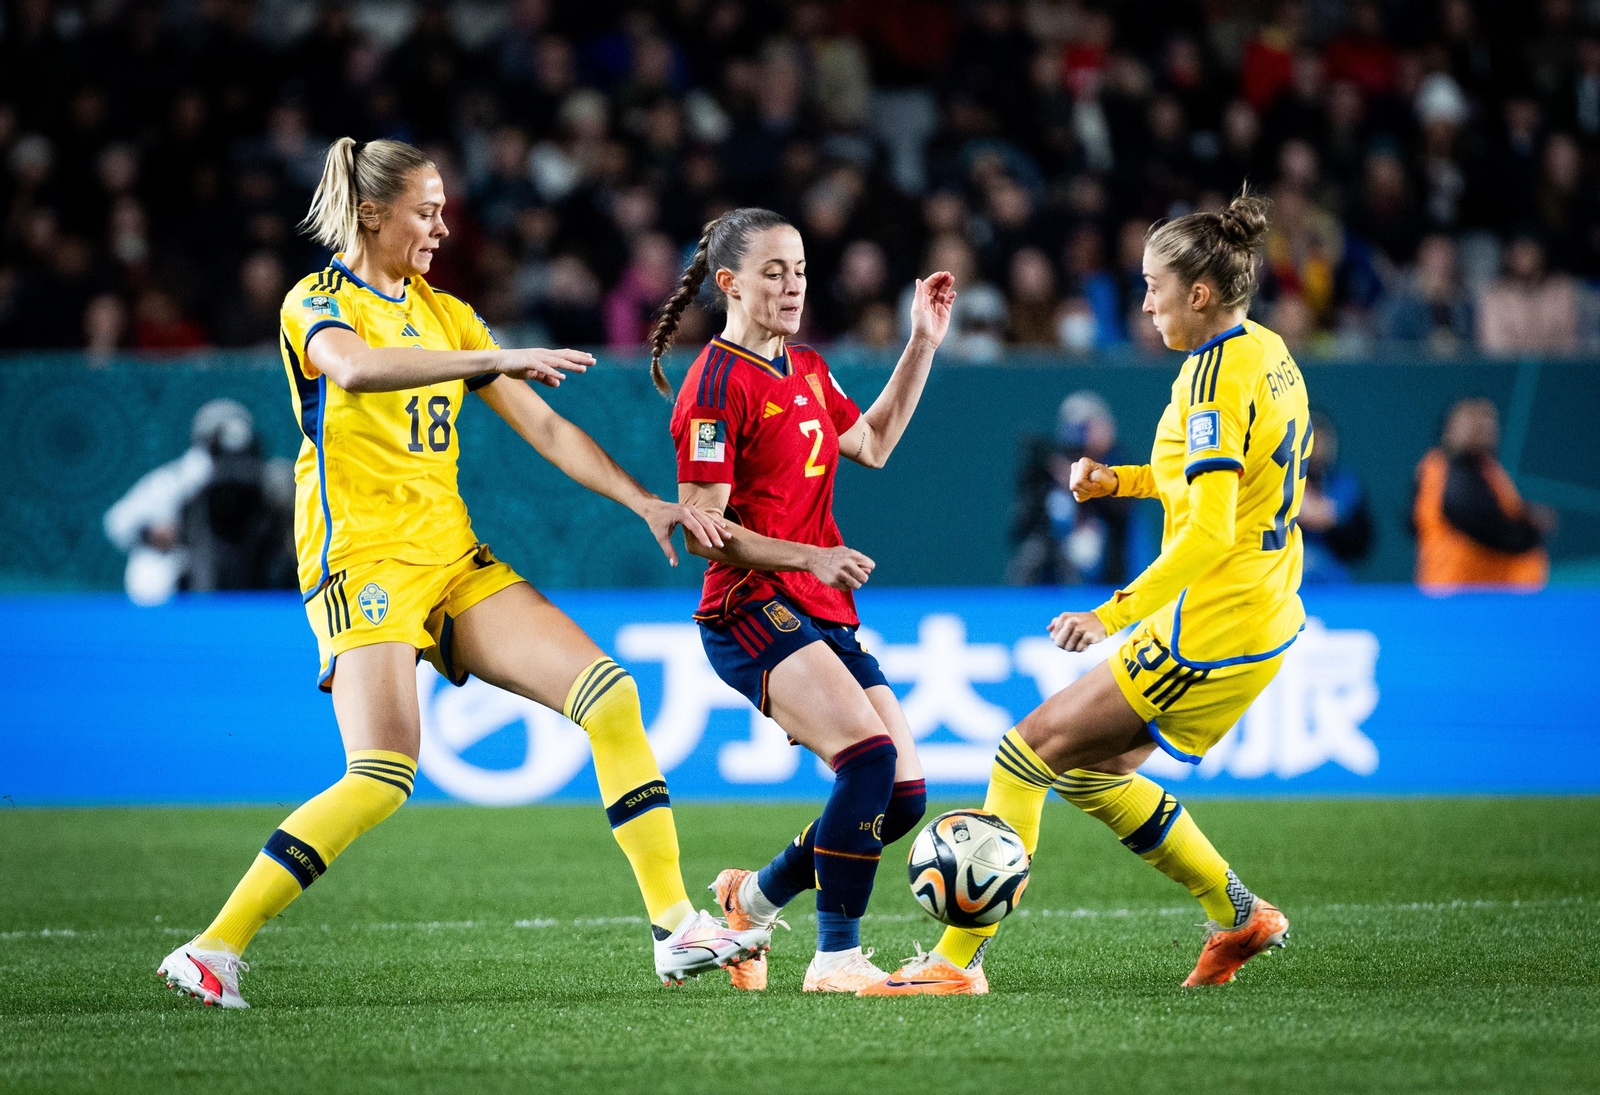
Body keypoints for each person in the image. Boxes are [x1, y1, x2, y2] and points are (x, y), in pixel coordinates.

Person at [157, 138, 768, 1010]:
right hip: (361, 560)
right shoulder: (315, 302)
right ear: (373, 214)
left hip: (451, 556)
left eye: (444, 209)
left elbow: (549, 429)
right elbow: (356, 370)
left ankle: (675, 927)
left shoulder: (448, 314)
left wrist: (644, 503)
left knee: (611, 694)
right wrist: (492, 359)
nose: (444, 226)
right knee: (380, 774)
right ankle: (212, 948)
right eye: (427, 210)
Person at [862, 192, 1303, 995]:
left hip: (1211, 621)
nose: (1144, 302)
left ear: (1199, 294)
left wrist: (1110, 615)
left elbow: (1208, 534)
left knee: (1023, 752)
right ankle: (1236, 912)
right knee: (1089, 772)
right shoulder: (1267, 351)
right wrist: (1122, 481)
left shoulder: (1208, 379)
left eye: (1152, 286)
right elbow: (1229, 487)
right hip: (1264, 612)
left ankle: (955, 963)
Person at [648, 207, 956, 993]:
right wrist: (813, 555)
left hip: (817, 607)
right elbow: (706, 528)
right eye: (774, 272)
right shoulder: (714, 385)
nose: (793, 287)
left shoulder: (810, 368)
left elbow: (876, 444)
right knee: (868, 759)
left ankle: (749, 899)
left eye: (801, 271)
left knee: (906, 795)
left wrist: (921, 339)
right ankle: (835, 957)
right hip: (748, 607)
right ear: (730, 284)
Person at [103, 399, 295, 605]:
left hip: (256, 566)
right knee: (149, 572)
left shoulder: (267, 478)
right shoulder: (182, 478)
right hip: (191, 567)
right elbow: (117, 522)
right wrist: (156, 533)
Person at [1006, 391, 1148, 587]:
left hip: (1110, 570)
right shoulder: (1049, 466)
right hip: (1054, 568)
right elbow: (1022, 524)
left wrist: (1089, 486)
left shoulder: (1119, 462)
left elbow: (1122, 510)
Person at [1412, 397, 1551, 591]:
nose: (1482, 425)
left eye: (1488, 418)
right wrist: (1530, 531)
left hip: (1500, 594)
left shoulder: (1489, 472)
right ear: (1450, 427)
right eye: (1472, 417)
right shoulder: (1442, 471)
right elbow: (1479, 520)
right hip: (1458, 596)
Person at [1298, 410, 1373, 583]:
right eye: (1314, 440)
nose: (1319, 449)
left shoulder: (1347, 485)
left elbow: (1362, 544)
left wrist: (1335, 519)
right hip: (1292, 584)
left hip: (1336, 586)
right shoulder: (1284, 483)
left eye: (1325, 440)